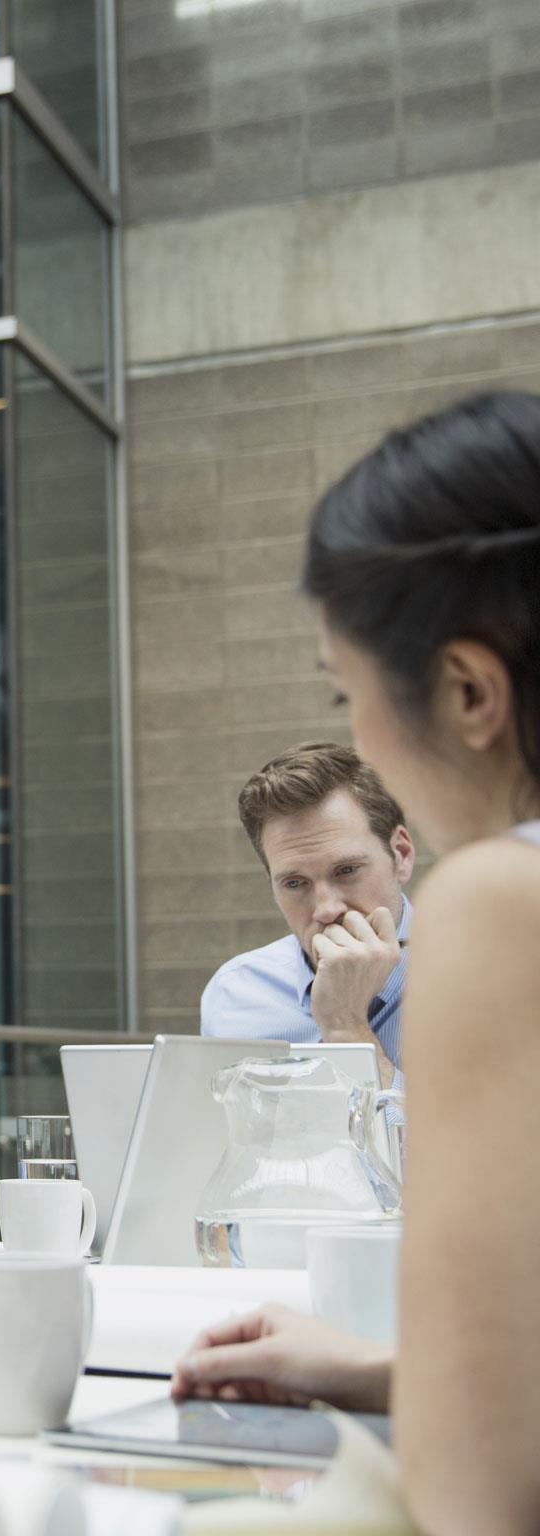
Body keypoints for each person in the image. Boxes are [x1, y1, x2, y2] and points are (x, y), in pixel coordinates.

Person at [171, 391, 540, 1536]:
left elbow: (478, 1491)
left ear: (468, 692)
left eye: (348, 690)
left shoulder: (497, 901)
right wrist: (379, 1367)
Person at [200, 742, 415, 1088]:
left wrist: (344, 1025)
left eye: (346, 870)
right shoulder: (236, 991)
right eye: (295, 883)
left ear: (401, 855)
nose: (326, 909)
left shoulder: (483, 979)